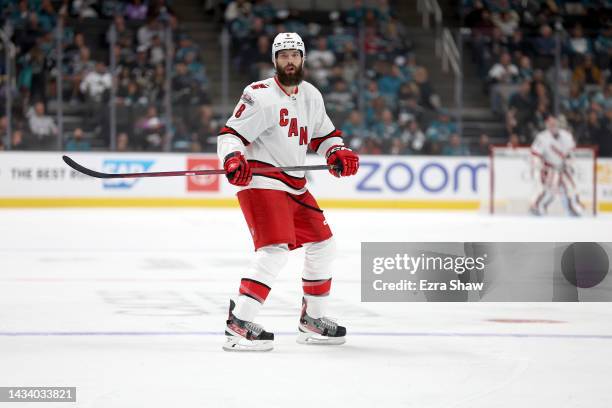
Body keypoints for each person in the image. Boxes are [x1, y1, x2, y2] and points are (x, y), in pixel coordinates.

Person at [217, 32, 359, 352]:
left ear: (303, 59)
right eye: (283, 56)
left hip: (295, 183)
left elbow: (324, 136)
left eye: (295, 55)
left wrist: (337, 151)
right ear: (274, 61)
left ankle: (313, 321)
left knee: (323, 244)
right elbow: (230, 134)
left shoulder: (311, 95)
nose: (290, 61)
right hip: (263, 180)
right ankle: (239, 323)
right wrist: (232, 157)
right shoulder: (259, 95)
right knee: (275, 249)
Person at [530, 115, 584, 217]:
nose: (553, 126)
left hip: (562, 168)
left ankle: (573, 208)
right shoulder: (542, 137)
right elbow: (535, 154)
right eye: (550, 124)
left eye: (554, 123)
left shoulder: (566, 136)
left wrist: (569, 163)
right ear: (547, 125)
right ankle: (537, 206)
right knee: (549, 191)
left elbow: (571, 152)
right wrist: (539, 165)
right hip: (549, 169)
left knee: (571, 188)